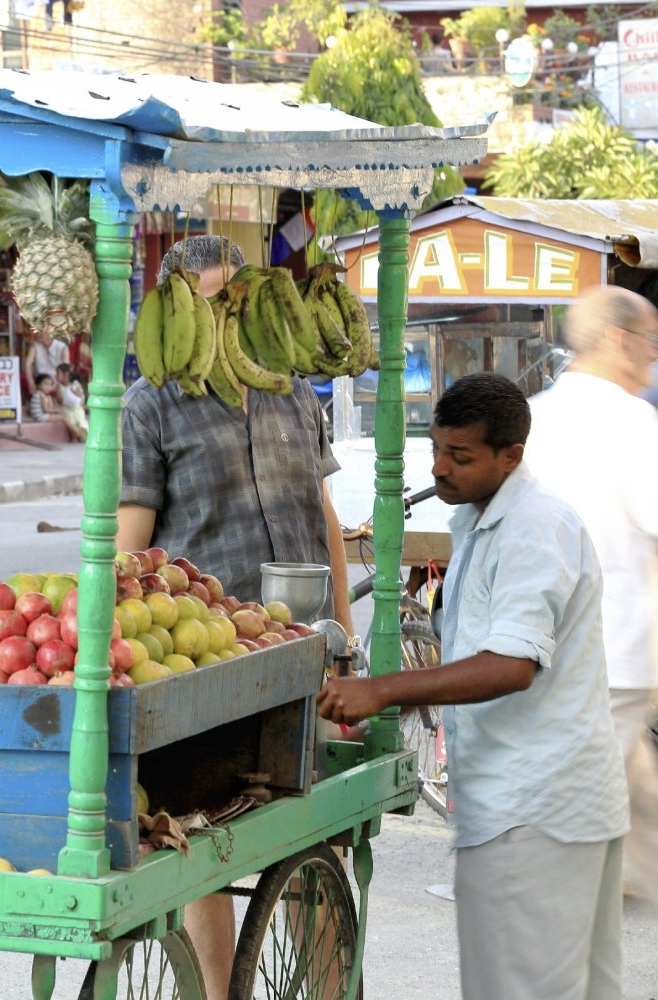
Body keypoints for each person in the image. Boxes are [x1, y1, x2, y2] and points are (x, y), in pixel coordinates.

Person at [318, 372, 629, 1000]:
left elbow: (512, 664)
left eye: (460, 457)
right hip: (535, 804)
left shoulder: (533, 528)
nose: (440, 469)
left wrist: (385, 690)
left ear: (510, 457)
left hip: (538, 812)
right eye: (435, 449)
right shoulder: (481, 520)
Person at [116, 234, 352, 1000]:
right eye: (205, 306)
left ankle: (320, 986)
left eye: (233, 303)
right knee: (199, 835)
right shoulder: (150, 403)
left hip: (301, 653)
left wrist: (344, 636)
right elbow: (131, 546)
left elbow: (323, 515)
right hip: (203, 664)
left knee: (313, 836)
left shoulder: (288, 388)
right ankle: (218, 993)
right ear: (177, 311)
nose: (223, 321)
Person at [523, 284, 658, 905]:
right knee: (595, 798)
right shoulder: (632, 421)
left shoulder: (534, 416)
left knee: (627, 786)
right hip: (617, 647)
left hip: (555, 640)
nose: (653, 357)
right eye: (651, 342)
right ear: (618, 340)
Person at [29, 372, 85, 442]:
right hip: (40, 417)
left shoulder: (41, 395)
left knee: (62, 416)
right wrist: (56, 411)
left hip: (40, 416)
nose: (48, 387)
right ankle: (76, 432)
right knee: (63, 418)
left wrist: (51, 404)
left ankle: (74, 437)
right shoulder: (41, 395)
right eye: (46, 384)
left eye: (50, 385)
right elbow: (46, 410)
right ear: (39, 386)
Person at [24, 330, 69, 400]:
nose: (38, 334)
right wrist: (31, 383)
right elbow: (27, 365)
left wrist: (58, 385)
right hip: (39, 381)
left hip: (56, 382)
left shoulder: (62, 347)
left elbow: (65, 369)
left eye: (41, 332)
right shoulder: (35, 345)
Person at [54, 362, 89, 441]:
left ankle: (83, 432)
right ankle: (74, 435)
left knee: (79, 415)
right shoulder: (59, 387)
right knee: (69, 416)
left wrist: (77, 395)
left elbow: (81, 398)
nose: (56, 376)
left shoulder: (75, 384)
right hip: (65, 408)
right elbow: (60, 400)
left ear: (65, 374)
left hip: (76, 408)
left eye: (58, 373)